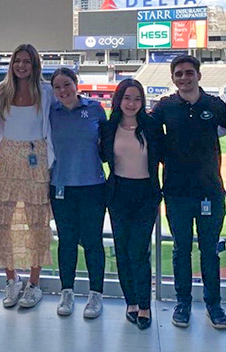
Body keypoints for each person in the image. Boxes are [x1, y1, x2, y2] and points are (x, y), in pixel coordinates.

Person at [151, 55, 226, 330]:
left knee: (209, 251)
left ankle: (214, 305)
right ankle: (183, 303)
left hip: (209, 191)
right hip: (176, 191)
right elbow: (149, 134)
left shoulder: (213, 104)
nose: (184, 78)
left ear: (198, 75)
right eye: (178, 74)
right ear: (173, 78)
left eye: (189, 72)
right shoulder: (165, 106)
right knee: (181, 250)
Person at [0, 43, 54, 309]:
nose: (21, 66)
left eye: (27, 61)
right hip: (7, 158)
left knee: (37, 224)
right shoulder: (2, 91)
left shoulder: (46, 92)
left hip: (36, 159)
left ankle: (34, 284)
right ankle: (11, 279)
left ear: (34, 65)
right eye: (17, 61)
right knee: (1, 223)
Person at [100, 79, 164, 330]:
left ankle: (145, 305)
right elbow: (102, 155)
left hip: (146, 193)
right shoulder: (109, 127)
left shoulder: (152, 126)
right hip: (118, 193)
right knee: (123, 251)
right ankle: (131, 302)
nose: (131, 103)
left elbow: (165, 155)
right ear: (119, 100)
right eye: (127, 98)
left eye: (137, 98)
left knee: (139, 251)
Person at [49, 68, 108, 319]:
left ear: (76, 84)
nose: (63, 91)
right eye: (57, 87)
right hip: (61, 186)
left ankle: (96, 294)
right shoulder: (51, 112)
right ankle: (67, 292)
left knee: (93, 242)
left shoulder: (95, 109)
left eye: (67, 84)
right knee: (67, 241)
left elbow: (107, 146)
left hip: (93, 186)